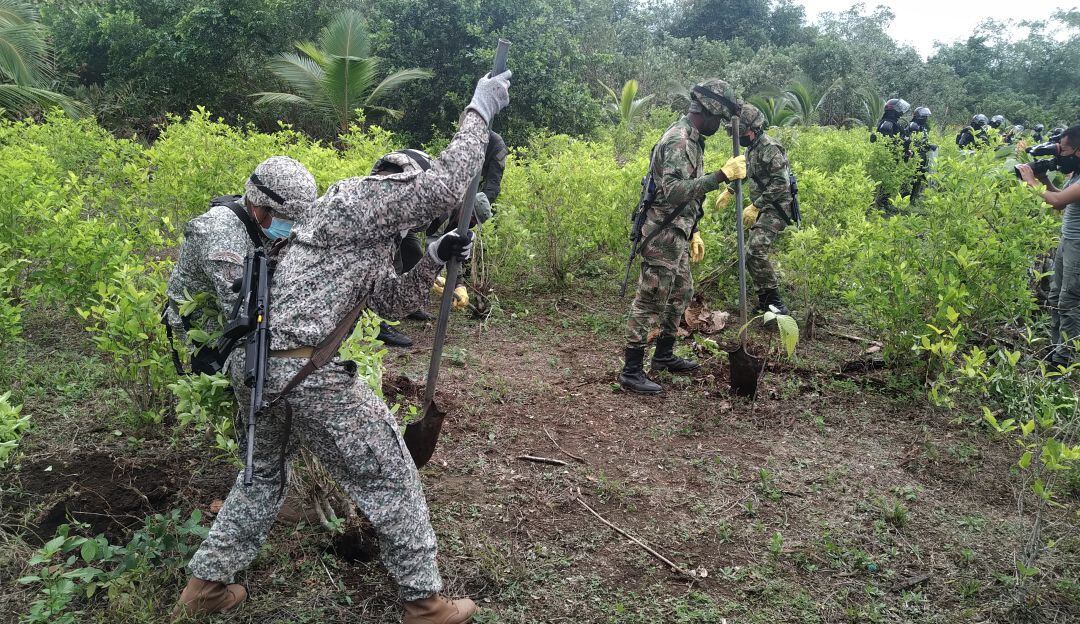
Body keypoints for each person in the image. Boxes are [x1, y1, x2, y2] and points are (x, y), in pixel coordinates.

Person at [170, 69, 511, 624]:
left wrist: (433, 255)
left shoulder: (363, 236)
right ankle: (425, 606)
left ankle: (205, 588)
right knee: (391, 474)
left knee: (261, 477)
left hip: (263, 369)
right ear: (400, 183)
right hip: (308, 373)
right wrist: (481, 106)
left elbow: (393, 302)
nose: (428, 215)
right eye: (423, 210)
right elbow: (449, 185)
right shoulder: (362, 198)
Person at [618, 78, 747, 395]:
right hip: (662, 232)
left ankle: (663, 354)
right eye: (718, 118)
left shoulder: (693, 138)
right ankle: (631, 371)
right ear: (707, 112)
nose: (719, 125)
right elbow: (674, 192)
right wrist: (720, 176)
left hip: (678, 230)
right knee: (649, 299)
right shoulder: (680, 142)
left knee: (682, 290)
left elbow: (686, 194)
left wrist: (695, 229)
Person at [164, 157, 316, 372]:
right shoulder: (221, 236)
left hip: (238, 311)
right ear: (256, 205)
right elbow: (243, 316)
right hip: (207, 329)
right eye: (284, 218)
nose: (291, 227)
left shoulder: (262, 223)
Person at [1017, 125, 1080, 368]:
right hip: (1068, 241)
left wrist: (1031, 181)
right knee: (1055, 295)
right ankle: (1056, 350)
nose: (1059, 154)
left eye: (1063, 149)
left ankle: (1063, 361)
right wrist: (1042, 179)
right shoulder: (1075, 173)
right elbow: (1059, 204)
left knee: (1070, 301)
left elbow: (1056, 200)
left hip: (1077, 246)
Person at [739, 104, 796, 316]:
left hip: (777, 207)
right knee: (750, 253)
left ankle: (777, 304)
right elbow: (746, 171)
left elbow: (781, 184)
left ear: (755, 129)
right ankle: (764, 300)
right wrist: (728, 189)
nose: (741, 137)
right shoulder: (751, 148)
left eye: (743, 133)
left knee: (755, 249)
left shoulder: (770, 147)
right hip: (764, 206)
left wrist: (756, 205)